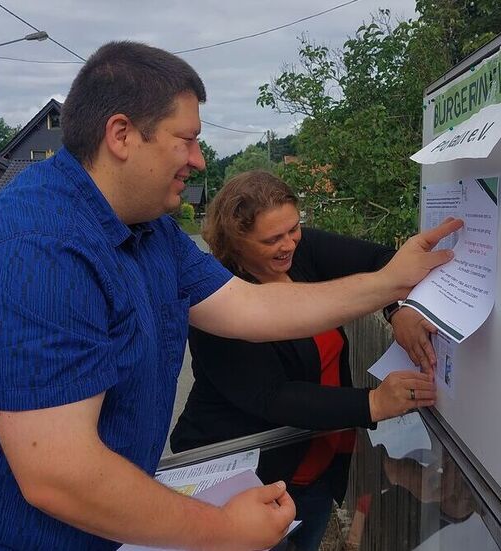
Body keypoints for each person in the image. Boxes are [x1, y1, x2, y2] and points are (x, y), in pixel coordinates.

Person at [0, 40, 462, 551]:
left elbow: (252, 306)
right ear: (123, 135)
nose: (199, 160)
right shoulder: (36, 248)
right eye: (187, 140)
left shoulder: (148, 228)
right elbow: (61, 475)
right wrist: (222, 529)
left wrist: (393, 282)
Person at [170, 171, 442, 551]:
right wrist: (374, 403)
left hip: (316, 470)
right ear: (236, 241)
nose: (288, 245)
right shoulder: (215, 297)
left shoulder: (302, 251)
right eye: (271, 239)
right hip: (246, 480)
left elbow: (383, 263)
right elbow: (273, 397)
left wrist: (399, 310)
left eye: (293, 229)